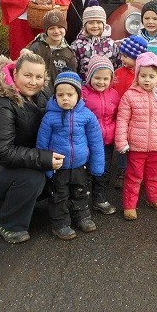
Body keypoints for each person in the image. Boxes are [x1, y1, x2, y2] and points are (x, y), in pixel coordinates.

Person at [0, 51, 63, 244]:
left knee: (59, 168)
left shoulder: (42, 95)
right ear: (15, 74)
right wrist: (44, 159)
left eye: (39, 77)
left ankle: (27, 203)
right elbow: (3, 152)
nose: (33, 81)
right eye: (27, 75)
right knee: (33, 177)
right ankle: (8, 224)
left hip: (13, 161)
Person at [36, 71, 105, 240]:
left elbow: (96, 143)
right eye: (60, 95)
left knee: (80, 191)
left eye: (70, 94)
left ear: (78, 95)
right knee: (59, 195)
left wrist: (97, 166)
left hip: (80, 165)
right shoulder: (49, 117)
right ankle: (60, 223)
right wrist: (46, 167)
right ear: (55, 96)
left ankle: (82, 217)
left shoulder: (87, 116)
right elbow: (42, 143)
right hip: (59, 166)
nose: (65, 98)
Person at [115, 52, 157, 221]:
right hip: (136, 146)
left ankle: (154, 198)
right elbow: (122, 120)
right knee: (134, 175)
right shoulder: (129, 96)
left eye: (151, 76)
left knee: (153, 174)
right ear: (137, 75)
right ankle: (130, 204)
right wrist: (121, 141)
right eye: (143, 75)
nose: (147, 80)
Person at [80, 55, 120, 214]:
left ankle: (100, 199)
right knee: (87, 172)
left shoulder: (114, 94)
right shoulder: (83, 94)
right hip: (88, 141)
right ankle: (82, 202)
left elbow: (118, 115)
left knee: (104, 171)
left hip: (107, 141)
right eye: (97, 77)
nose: (101, 82)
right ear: (89, 76)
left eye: (105, 78)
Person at [110, 33, 149, 188]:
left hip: (138, 116)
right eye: (122, 55)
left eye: (126, 56)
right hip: (121, 115)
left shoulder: (142, 75)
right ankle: (121, 171)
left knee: (137, 147)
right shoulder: (118, 73)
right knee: (122, 144)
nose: (123, 59)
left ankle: (137, 172)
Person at [69, 0, 120, 80]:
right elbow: (73, 69)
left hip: (105, 86)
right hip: (84, 87)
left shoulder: (111, 44)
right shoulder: (77, 45)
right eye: (91, 23)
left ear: (104, 25)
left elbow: (117, 67)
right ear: (85, 25)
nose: (95, 26)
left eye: (99, 22)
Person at [26, 8, 77, 85]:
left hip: (57, 94)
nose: (56, 31)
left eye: (60, 27)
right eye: (51, 28)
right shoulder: (35, 47)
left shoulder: (69, 54)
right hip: (36, 91)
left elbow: (72, 79)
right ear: (46, 31)